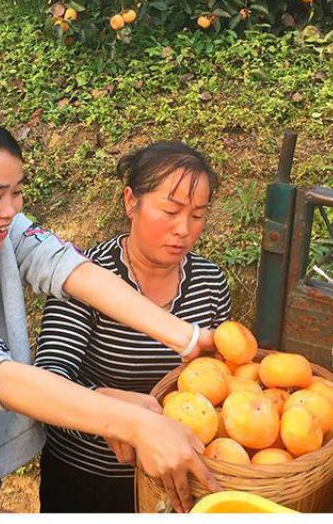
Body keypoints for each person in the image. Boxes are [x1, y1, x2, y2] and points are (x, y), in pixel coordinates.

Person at [0, 113, 221, 514]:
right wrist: (135, 423)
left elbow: (72, 269)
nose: (11, 209)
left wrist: (186, 337)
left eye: (17, 192)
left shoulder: (1, 228)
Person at [35, 141, 231, 513]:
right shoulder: (84, 276)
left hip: (173, 480)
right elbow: (50, 376)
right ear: (131, 201)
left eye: (198, 215)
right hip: (88, 477)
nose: (183, 229)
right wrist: (110, 409)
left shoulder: (209, 282)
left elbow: (216, 379)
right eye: (170, 211)